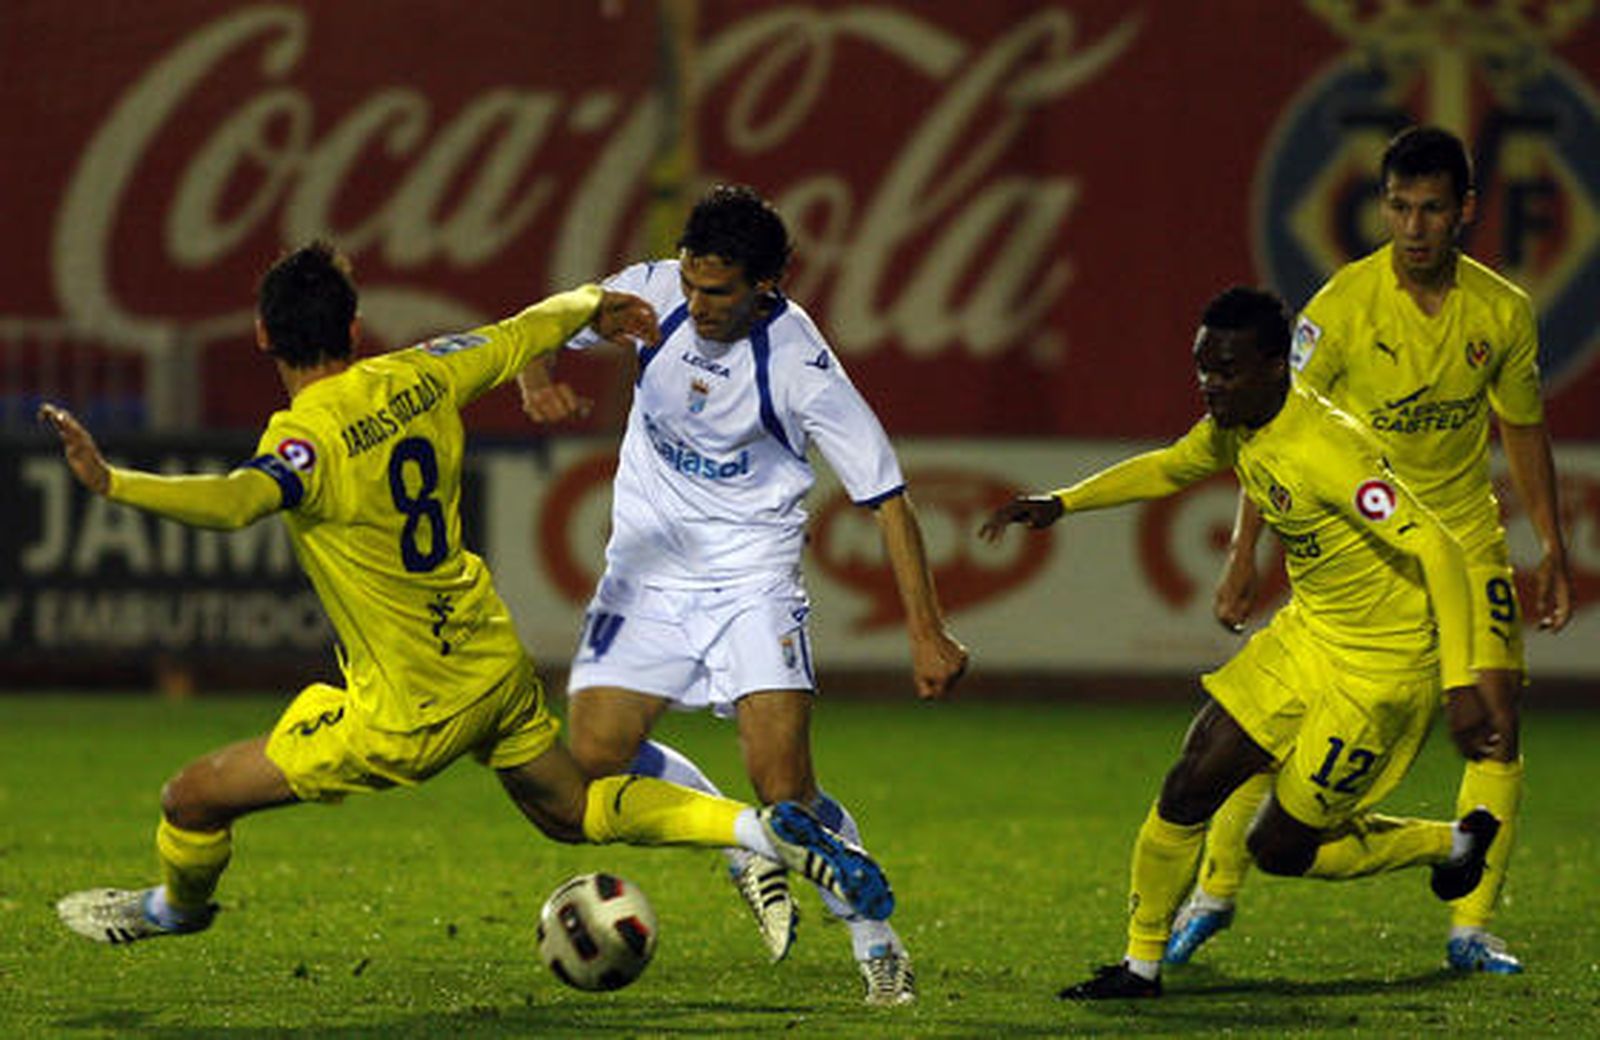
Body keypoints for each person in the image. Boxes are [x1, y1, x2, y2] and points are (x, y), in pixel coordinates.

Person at [45, 241, 897, 947]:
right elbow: (526, 328)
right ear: (353, 325)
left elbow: (236, 502)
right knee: (574, 811)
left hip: (405, 712)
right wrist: (592, 303)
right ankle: (757, 831)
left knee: (190, 798)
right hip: (490, 667)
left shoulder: (305, 437)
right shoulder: (422, 374)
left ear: (263, 334)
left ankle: (173, 911)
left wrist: (115, 482)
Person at [516, 184, 969, 1005]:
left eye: (717, 291)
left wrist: (926, 631)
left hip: (750, 581)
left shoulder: (800, 364)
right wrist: (537, 376)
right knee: (589, 764)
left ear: (767, 285)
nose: (696, 304)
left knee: (786, 787)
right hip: (647, 569)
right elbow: (540, 325)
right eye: (691, 283)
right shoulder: (652, 293)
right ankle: (740, 843)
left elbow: (890, 499)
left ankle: (878, 947)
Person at [981, 286, 1502, 999]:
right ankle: (1139, 967)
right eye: (1202, 368)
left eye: (1224, 371)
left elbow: (1437, 550)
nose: (1210, 385)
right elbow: (1169, 466)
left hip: (1381, 669)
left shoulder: (1329, 449)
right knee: (1190, 781)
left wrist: (1461, 683)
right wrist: (1062, 502)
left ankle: (1454, 842)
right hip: (1308, 637)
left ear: (1274, 366)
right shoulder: (1237, 427)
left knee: (1280, 849)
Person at [1168, 126, 1572, 976]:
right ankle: (1215, 890)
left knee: (1496, 729)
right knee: (1274, 729)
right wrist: (1244, 554)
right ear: (1381, 207)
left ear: (1464, 212)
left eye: (1432, 209)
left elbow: (1523, 431)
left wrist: (1552, 546)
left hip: (1462, 538)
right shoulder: (1339, 311)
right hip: (1363, 551)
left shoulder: (1501, 312)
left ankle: (1469, 928)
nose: (1415, 227)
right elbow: (1266, 434)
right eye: (1399, 208)